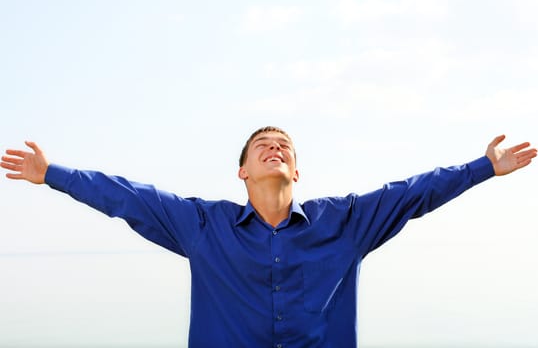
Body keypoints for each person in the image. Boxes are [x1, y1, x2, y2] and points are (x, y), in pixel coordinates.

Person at [1, 126, 536, 348]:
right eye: (262, 144)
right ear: (242, 172)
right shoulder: (203, 227)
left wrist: (483, 167)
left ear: (297, 173)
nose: (274, 147)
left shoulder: (345, 223)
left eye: (284, 146)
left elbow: (413, 193)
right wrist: (52, 174)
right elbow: (128, 197)